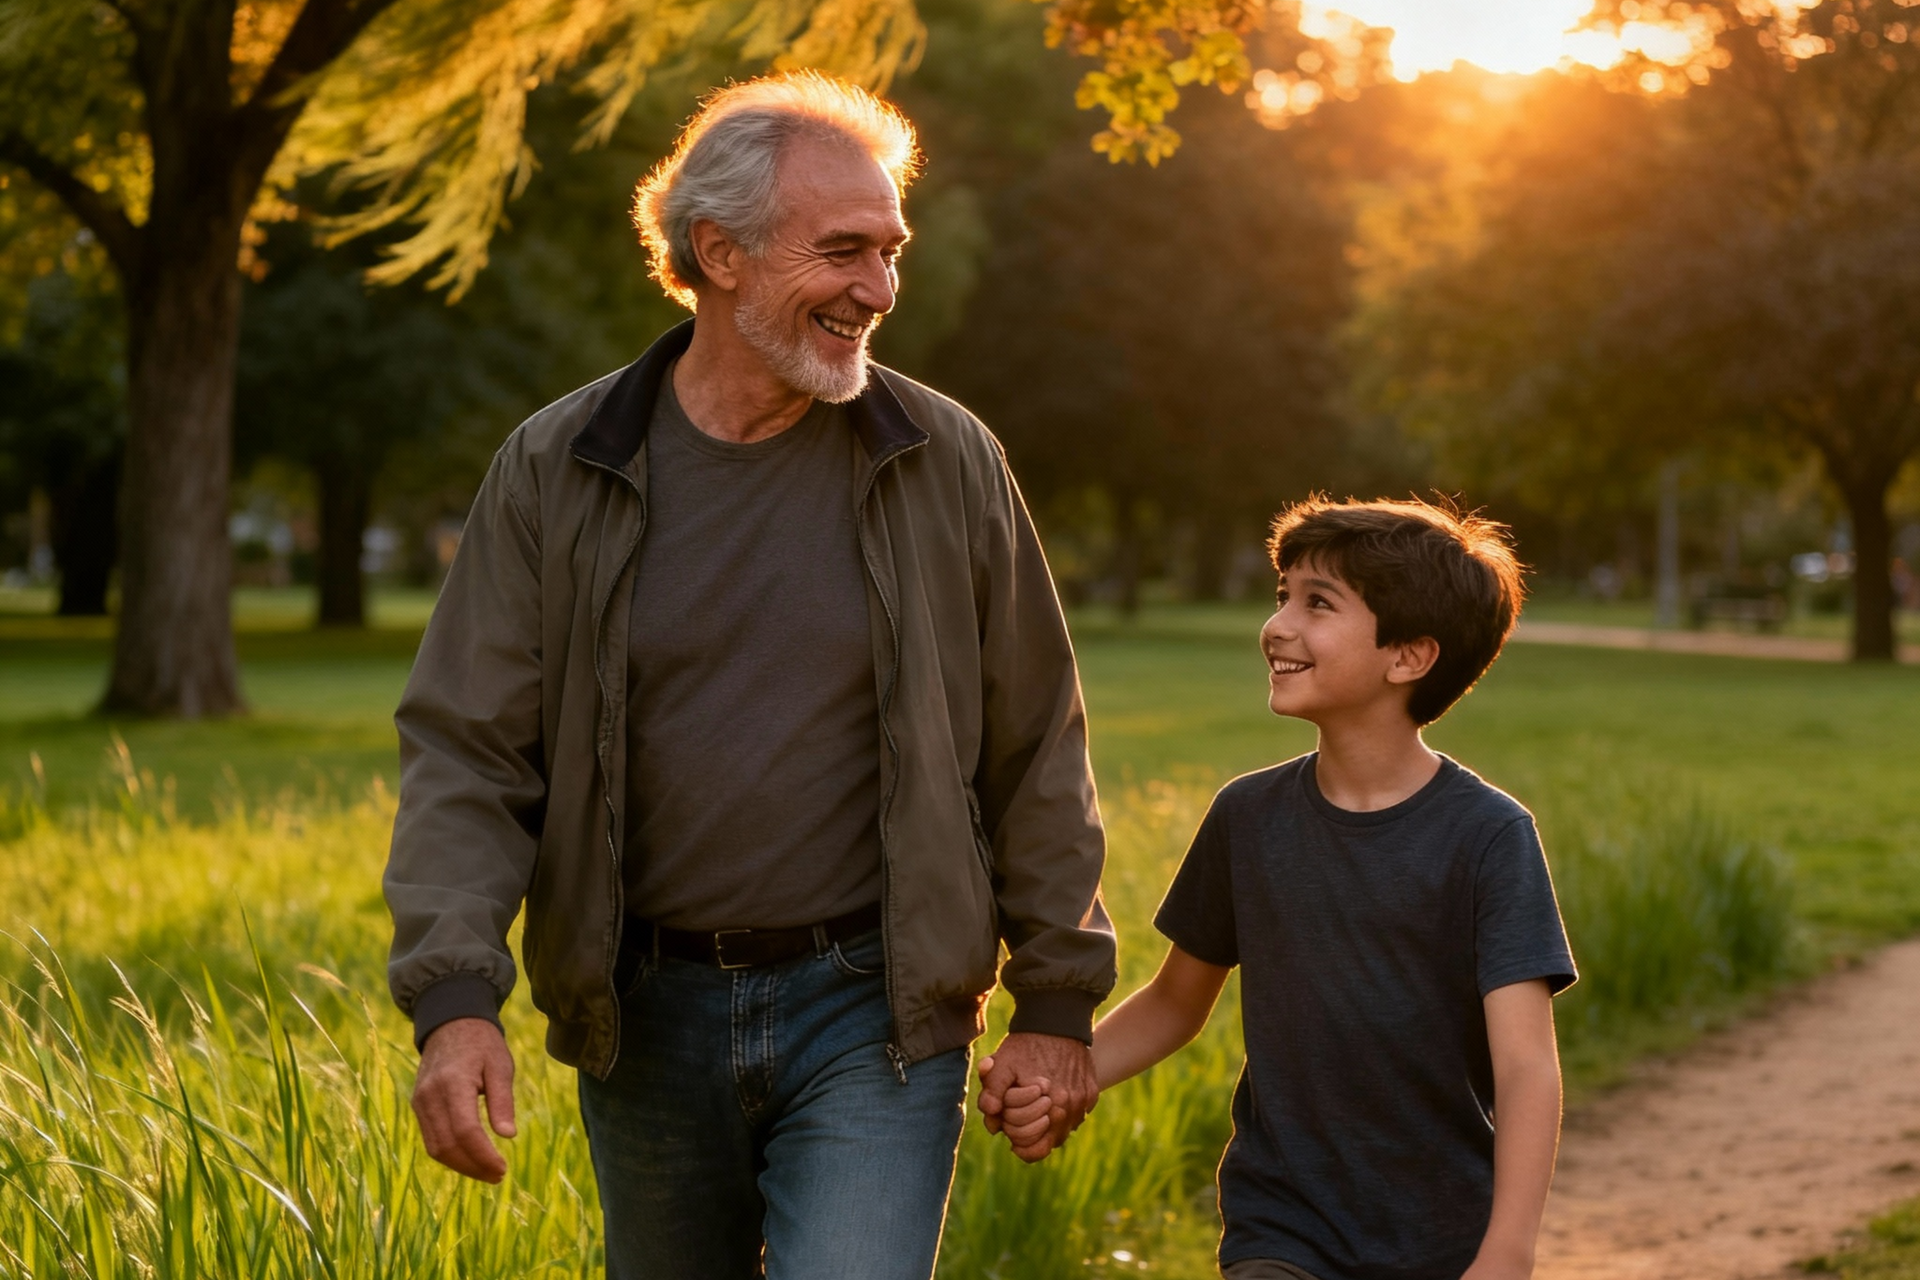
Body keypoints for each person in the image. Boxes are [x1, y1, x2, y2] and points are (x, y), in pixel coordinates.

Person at [383, 71, 1115, 1280]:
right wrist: (455, 995)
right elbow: (471, 748)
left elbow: (1035, 739)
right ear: (719, 254)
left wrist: (1055, 1000)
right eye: (841, 253)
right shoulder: (558, 467)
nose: (878, 291)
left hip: (875, 1008)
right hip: (645, 1012)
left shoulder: (947, 459)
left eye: (890, 253)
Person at [983, 496, 1577, 1280]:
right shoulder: (1249, 816)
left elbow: (1526, 1067)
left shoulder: (1489, 837)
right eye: (1282, 594)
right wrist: (1065, 1074)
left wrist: (1507, 1252)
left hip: (1441, 1233)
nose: (1278, 625)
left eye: (1318, 603)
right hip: (1283, 1225)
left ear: (1410, 656)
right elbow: (1175, 1002)